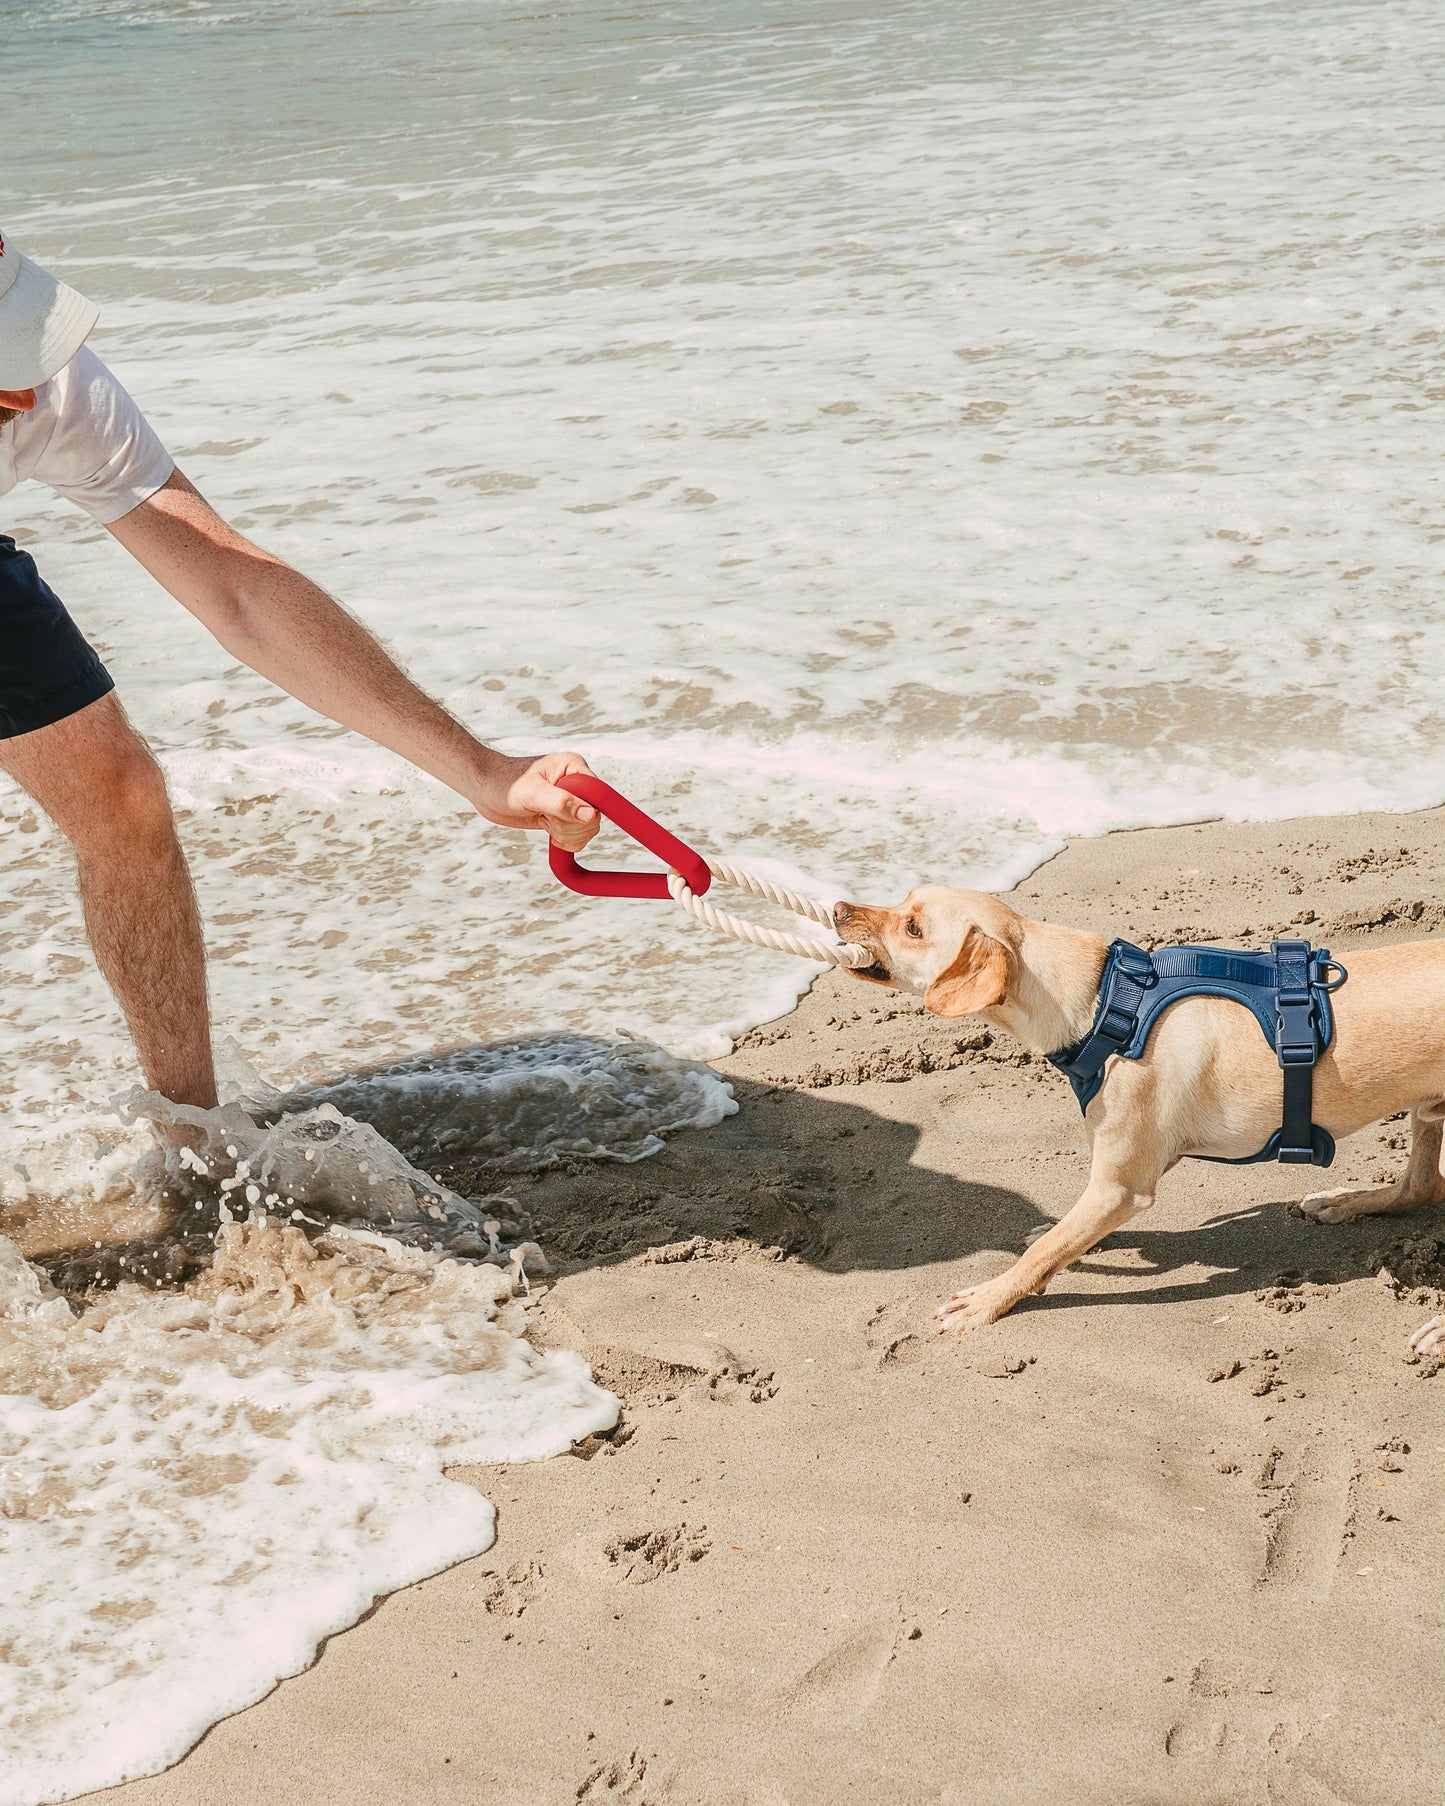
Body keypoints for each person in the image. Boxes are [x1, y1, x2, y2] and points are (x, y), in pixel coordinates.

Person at [0, 229, 599, 1112]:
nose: (23, 385)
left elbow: (236, 588)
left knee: (121, 797)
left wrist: (484, 773)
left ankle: (193, 1136)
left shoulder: (45, 388)